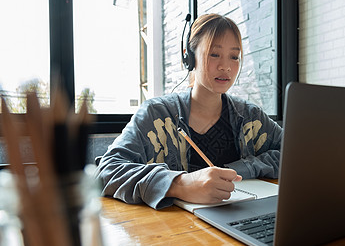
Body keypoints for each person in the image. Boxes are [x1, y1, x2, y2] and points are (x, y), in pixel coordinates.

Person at [95, 13, 282, 209]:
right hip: (175, 232)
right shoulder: (156, 115)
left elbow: (295, 154)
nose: (225, 66)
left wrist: (241, 169)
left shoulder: (251, 117)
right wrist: (179, 184)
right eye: (214, 54)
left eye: (234, 57)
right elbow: (107, 170)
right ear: (190, 56)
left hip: (241, 221)